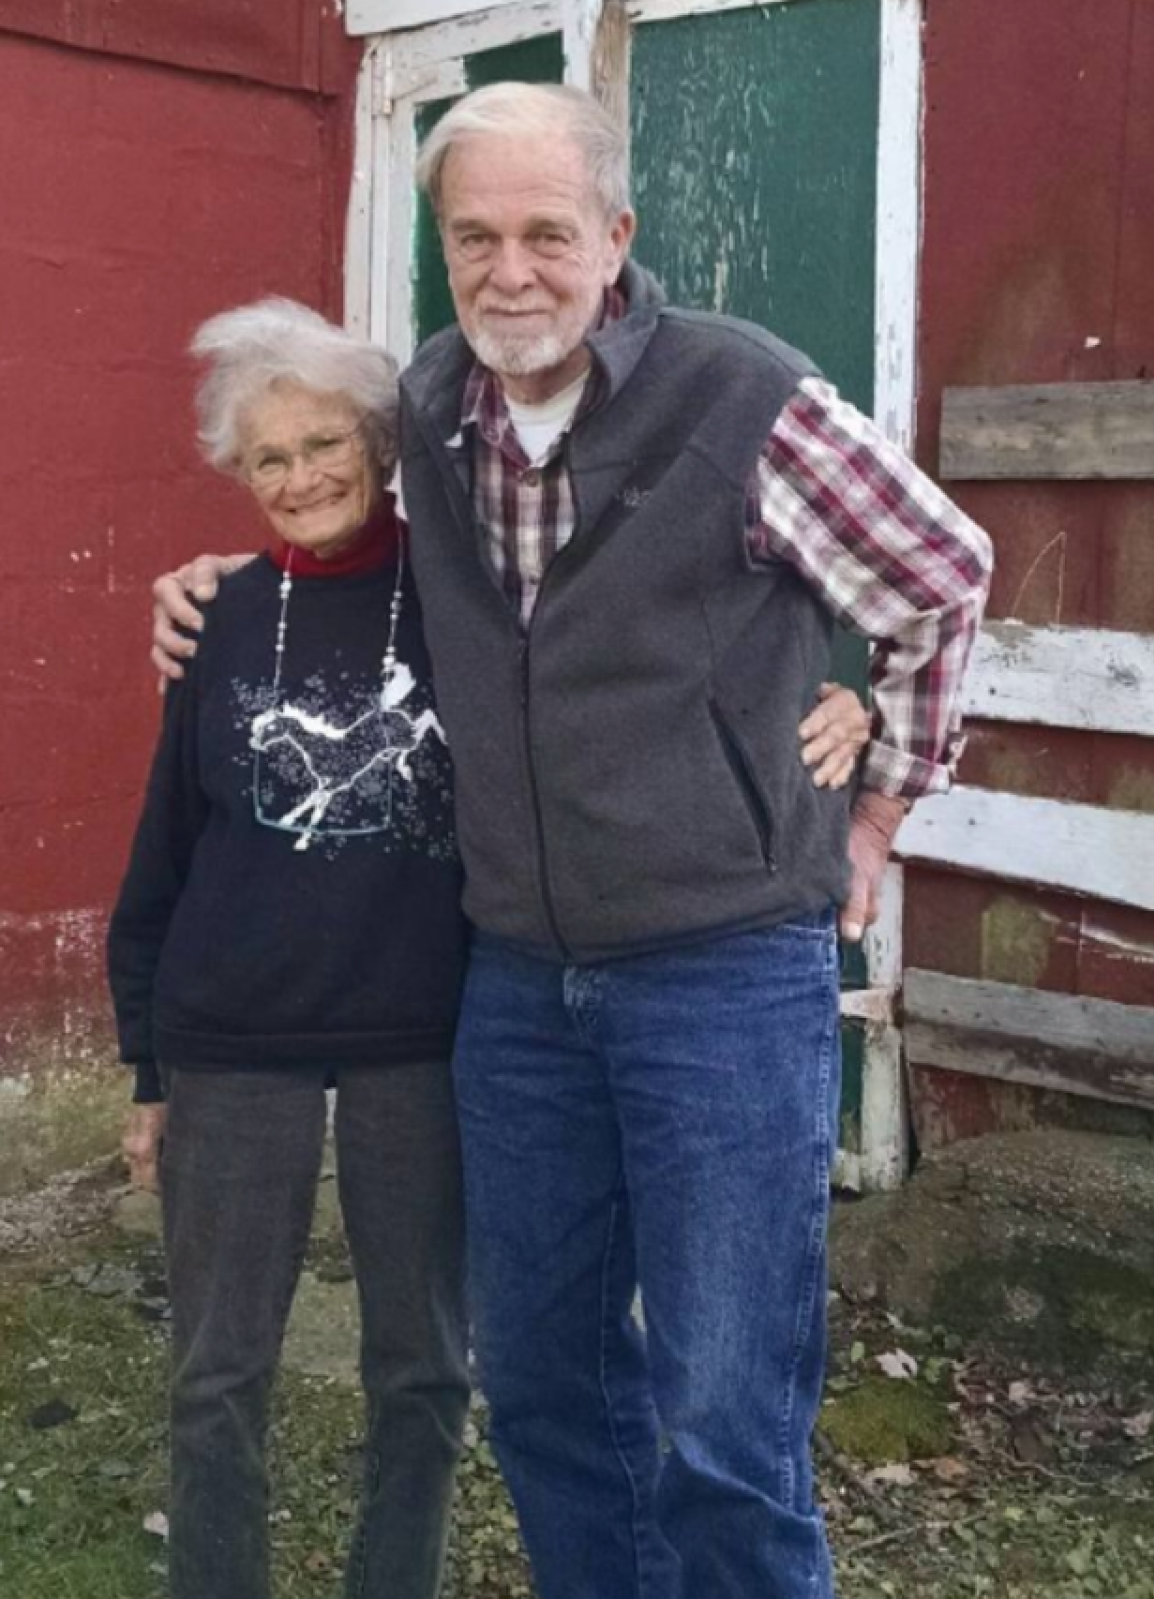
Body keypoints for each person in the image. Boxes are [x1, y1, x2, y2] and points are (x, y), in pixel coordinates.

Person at [151, 83, 992, 1599]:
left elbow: (940, 573)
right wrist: (228, 585)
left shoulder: (741, 397)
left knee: (725, 1417)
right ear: (442, 245)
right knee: (542, 1387)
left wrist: (879, 795)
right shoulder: (426, 411)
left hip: (722, 973)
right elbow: (323, 508)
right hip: (519, 990)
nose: (511, 269)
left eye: (548, 231)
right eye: (475, 235)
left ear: (617, 236)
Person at [108, 300, 471, 1599]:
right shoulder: (214, 616)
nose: (303, 476)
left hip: (418, 1038)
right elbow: (168, 844)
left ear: (377, 446)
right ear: (240, 474)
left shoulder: (460, 597)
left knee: (422, 1365)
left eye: (326, 444)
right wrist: (146, 1060)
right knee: (218, 1372)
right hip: (231, 1038)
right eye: (271, 458)